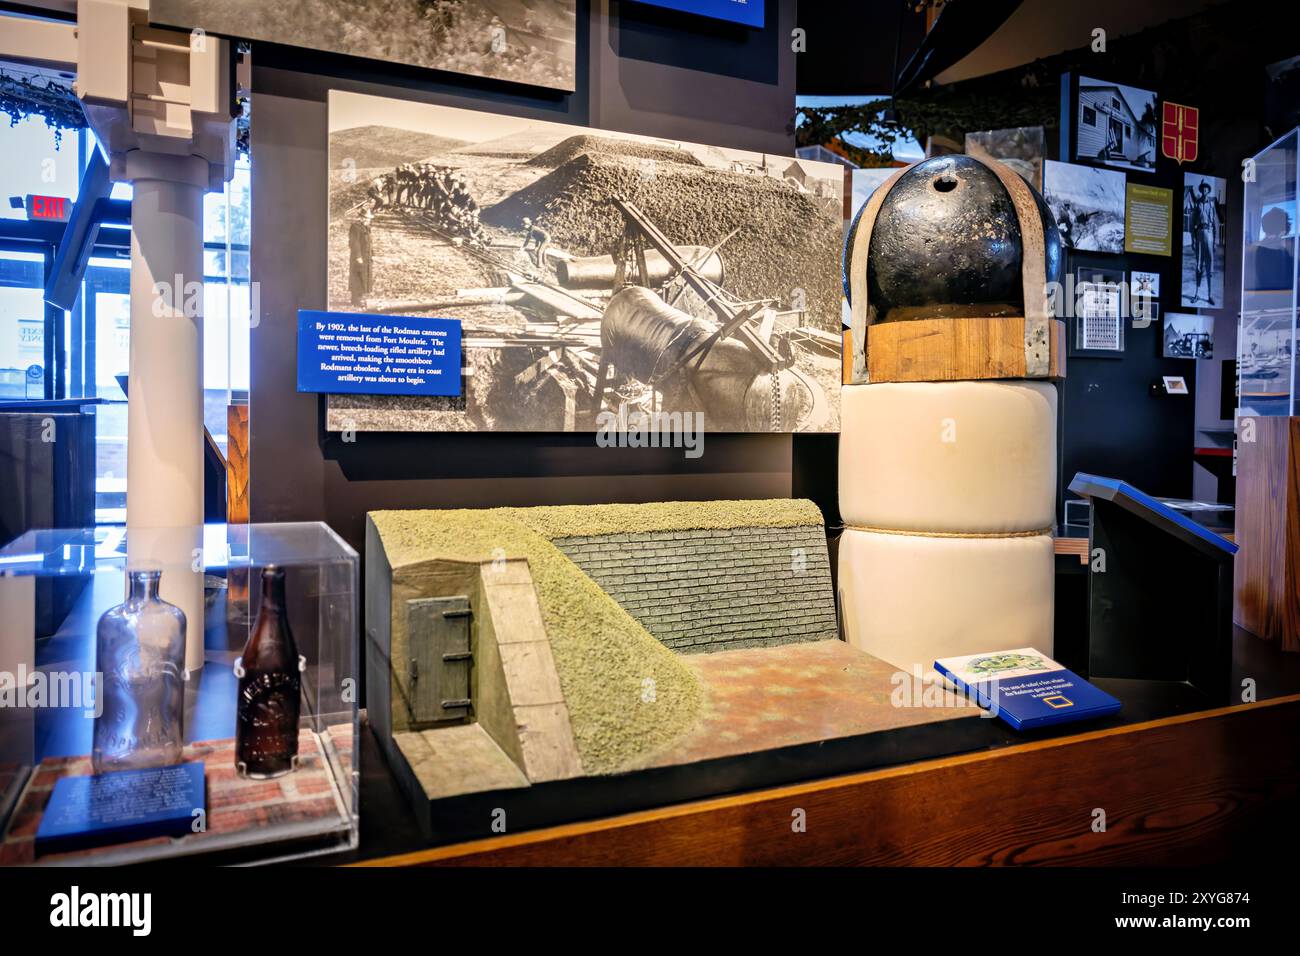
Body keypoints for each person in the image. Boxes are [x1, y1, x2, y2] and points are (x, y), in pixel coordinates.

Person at [1188, 180, 1220, 305]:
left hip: (1210, 234)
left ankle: (1209, 295)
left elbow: (1215, 224)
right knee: (1199, 266)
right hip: (1200, 234)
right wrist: (1193, 241)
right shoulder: (1197, 204)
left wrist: (1215, 241)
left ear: (1208, 190)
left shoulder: (1212, 205)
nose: (1204, 190)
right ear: (1201, 190)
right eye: (1203, 188)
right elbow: (1192, 225)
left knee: (1209, 266)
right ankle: (1196, 294)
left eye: (1206, 188)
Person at [348, 209, 374, 306]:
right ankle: (356, 299)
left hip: (367, 256)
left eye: (369, 218)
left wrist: (372, 254)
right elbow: (354, 243)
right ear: (362, 218)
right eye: (367, 218)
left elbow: (370, 242)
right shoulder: (355, 227)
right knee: (357, 277)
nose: (368, 220)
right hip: (359, 256)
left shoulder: (367, 227)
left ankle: (361, 296)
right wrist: (358, 256)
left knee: (365, 276)